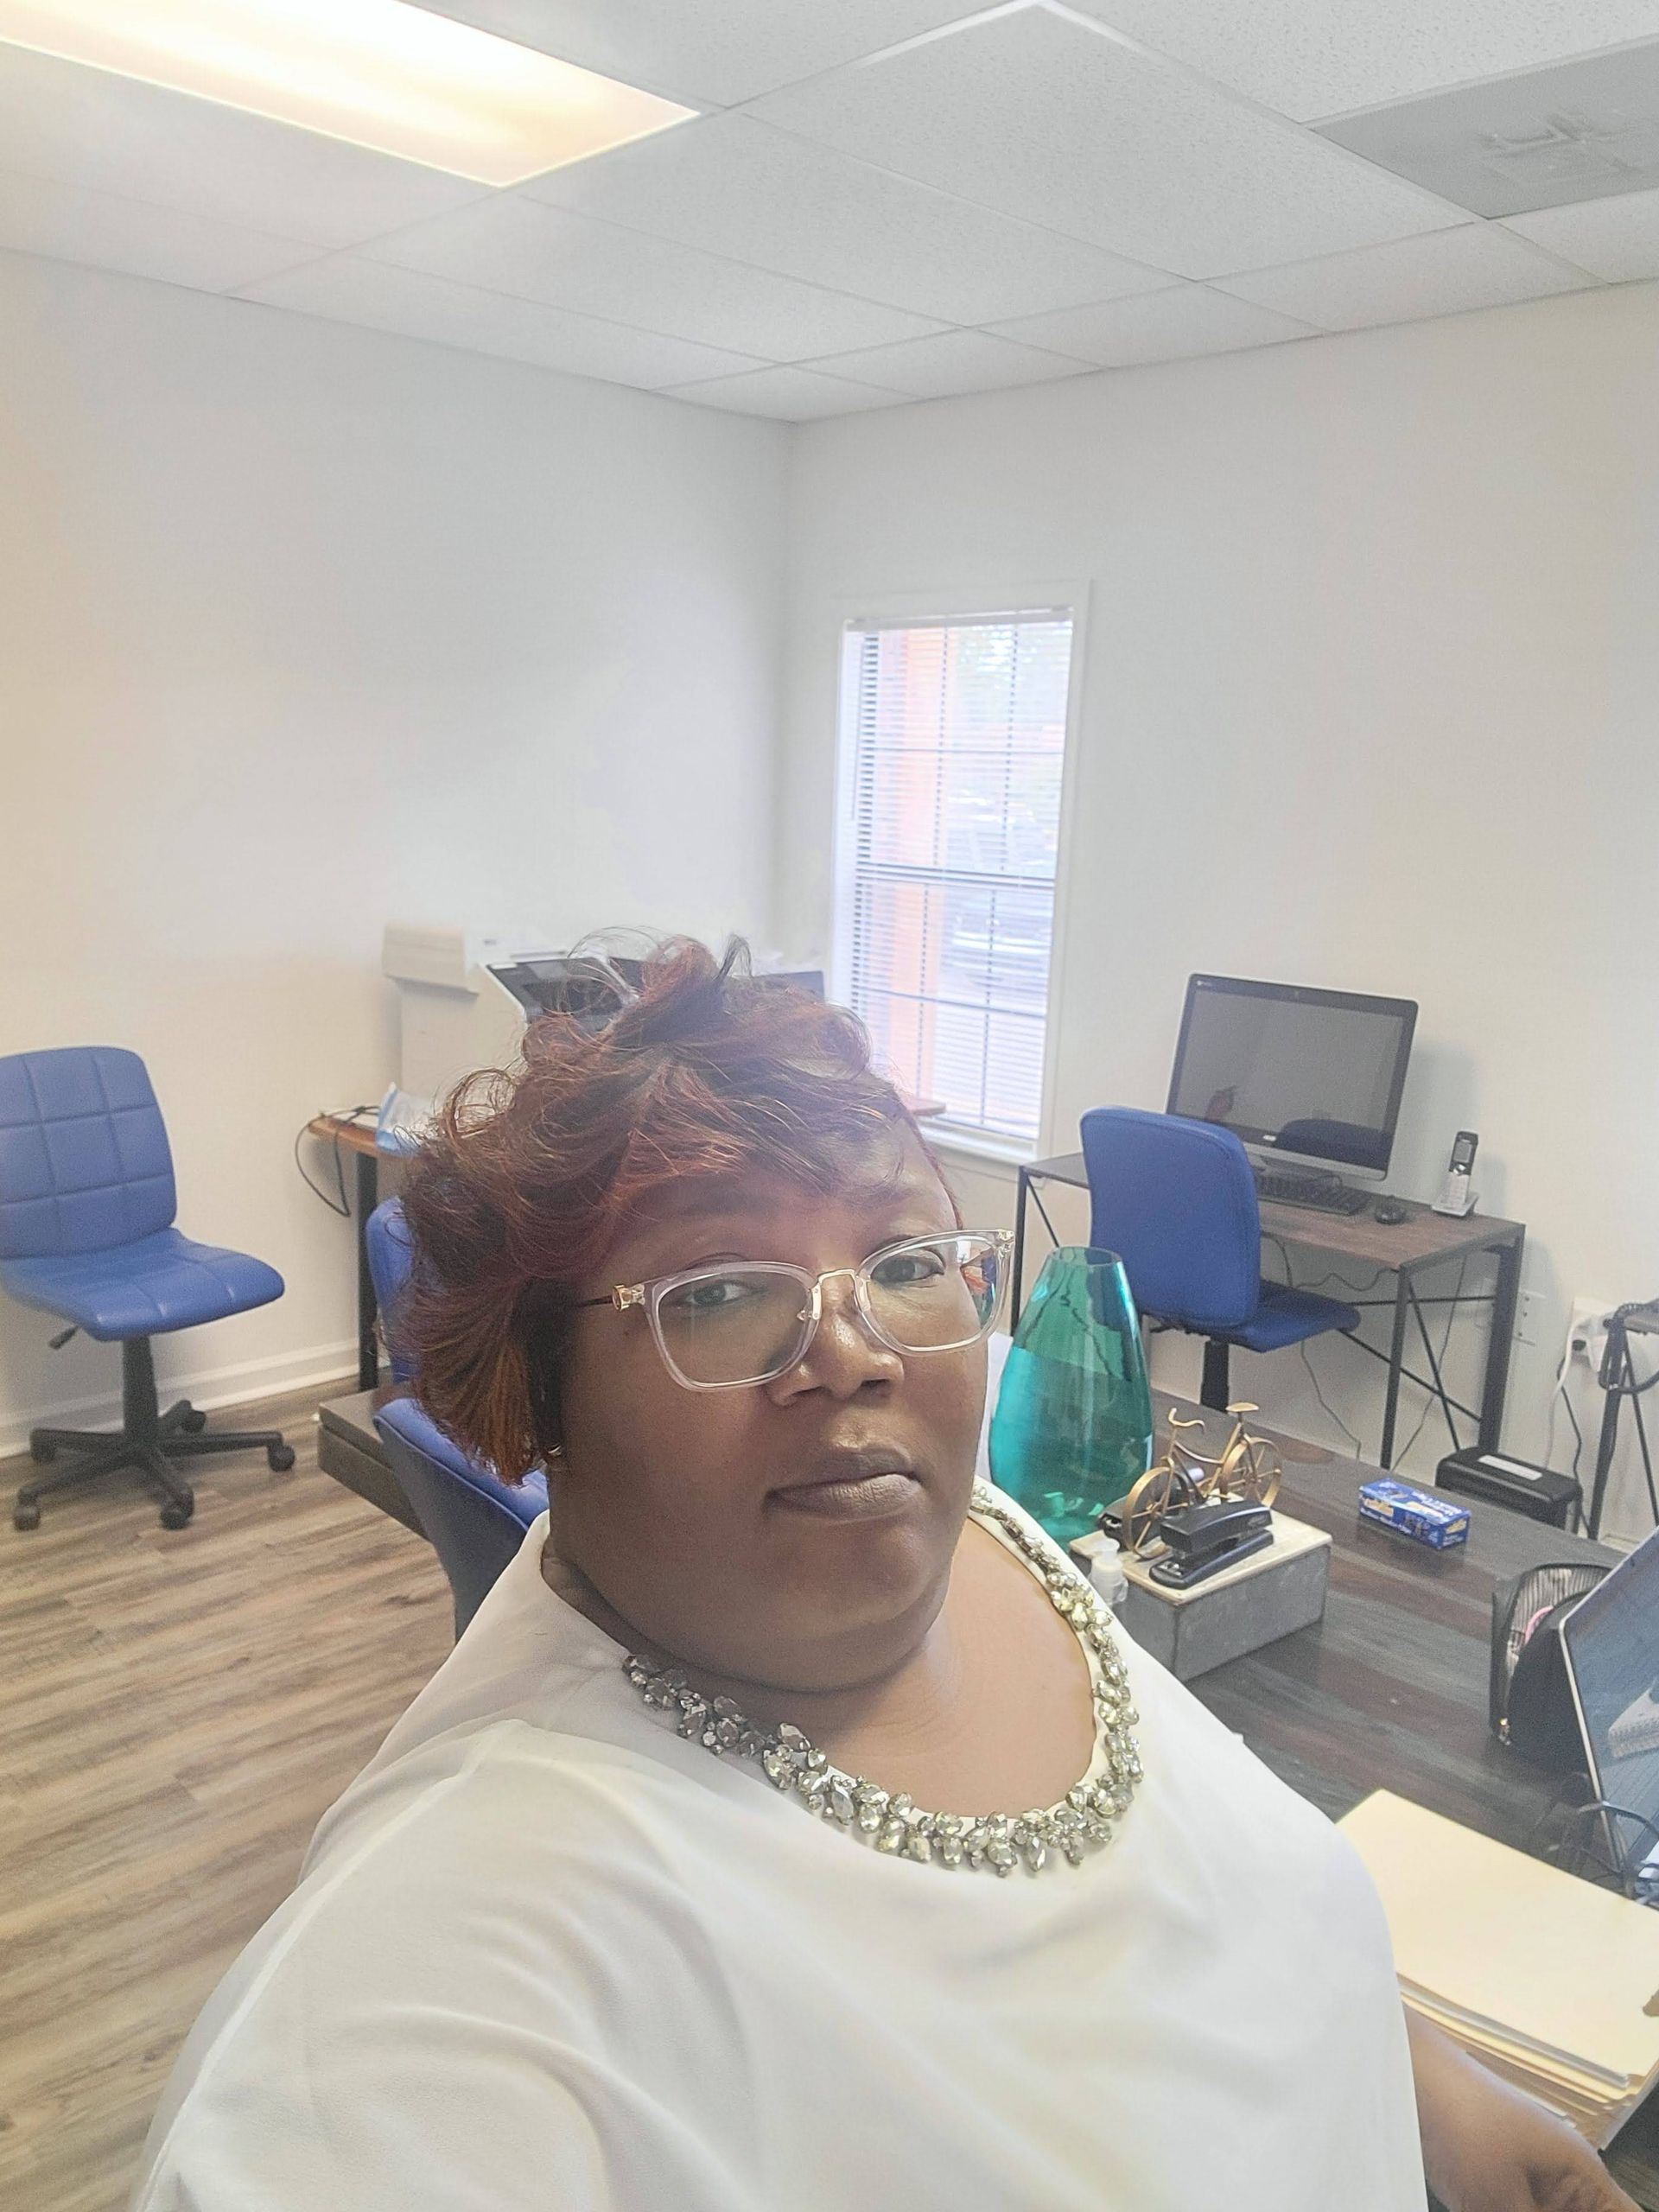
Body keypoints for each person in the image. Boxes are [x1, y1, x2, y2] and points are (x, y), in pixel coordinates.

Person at [130, 939, 1635, 2212]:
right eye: (721, 1293)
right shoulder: (444, 1991)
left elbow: (1192, 1900)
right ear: (539, 1388)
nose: (853, 1352)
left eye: (908, 1264)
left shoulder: (978, 1527)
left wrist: (1423, 2086)